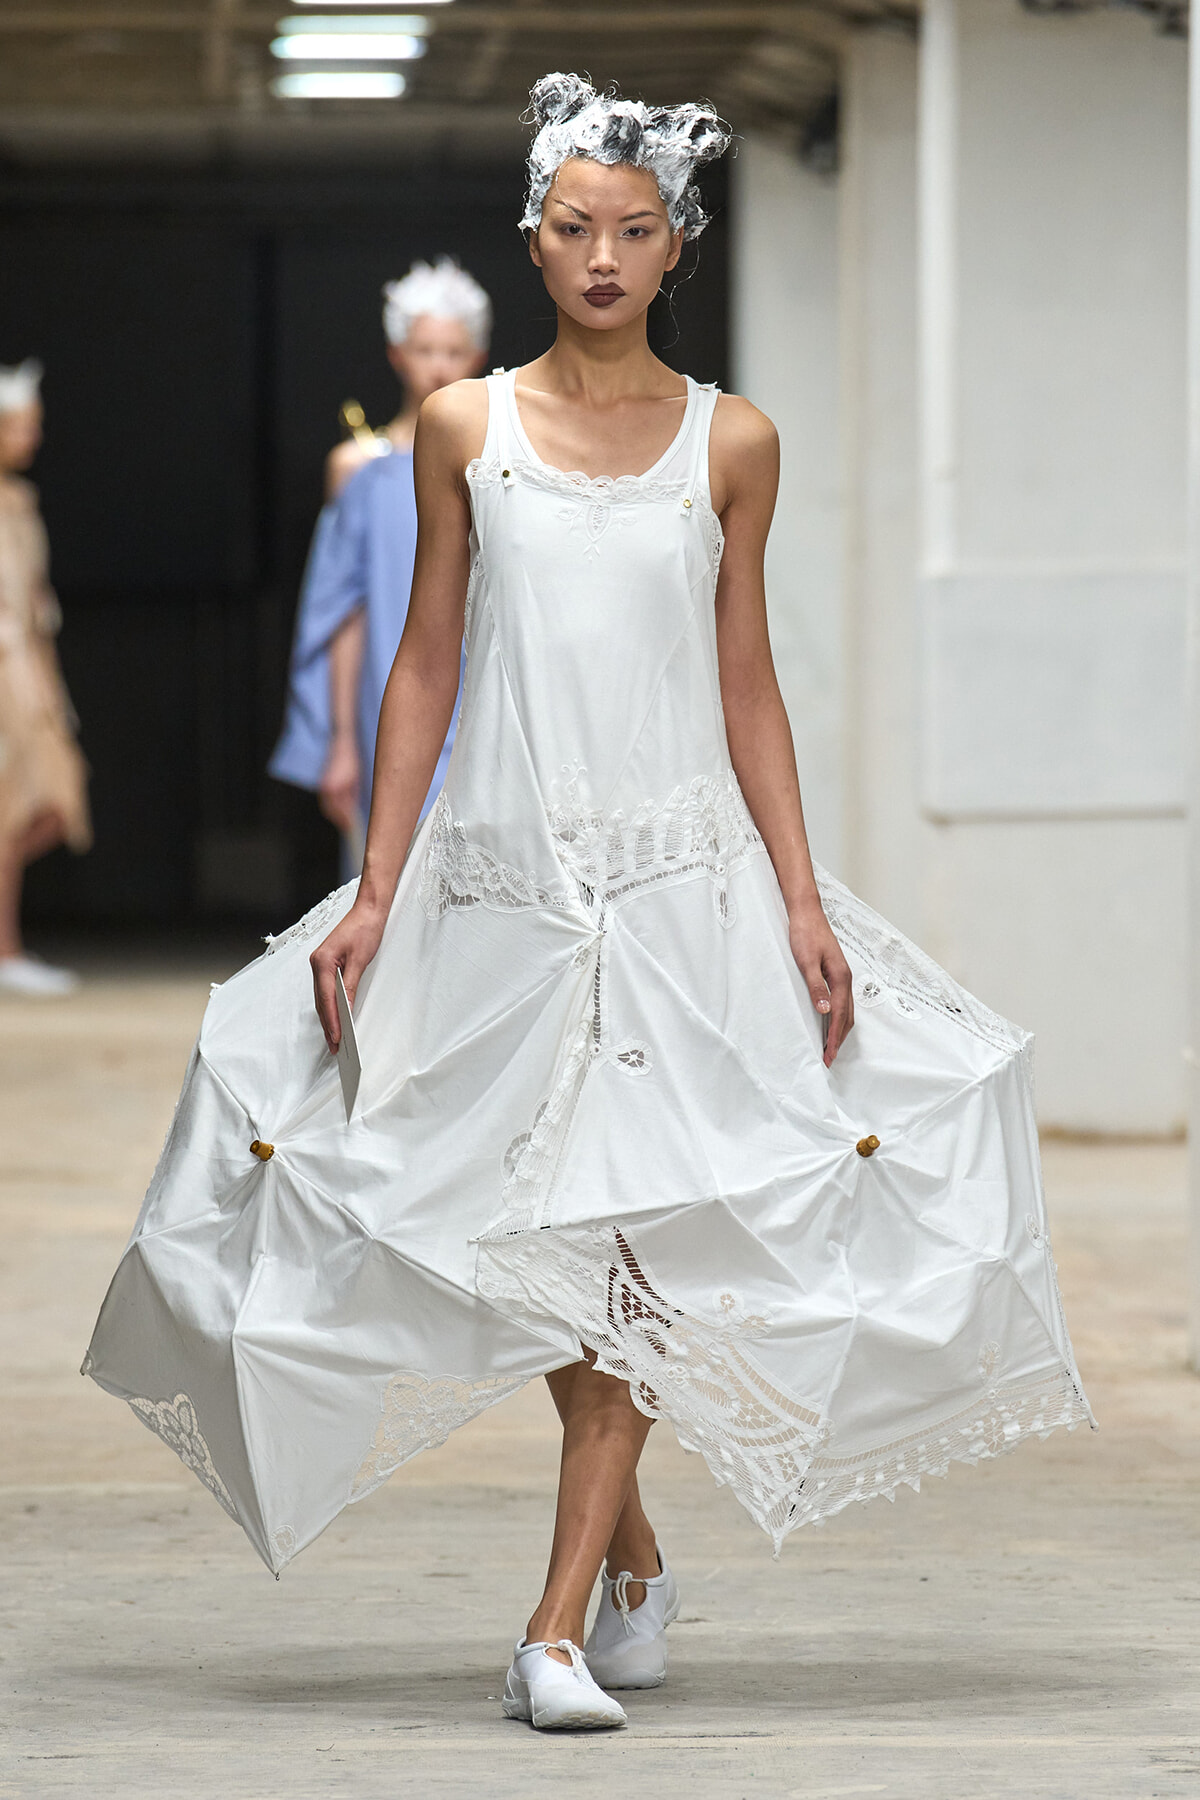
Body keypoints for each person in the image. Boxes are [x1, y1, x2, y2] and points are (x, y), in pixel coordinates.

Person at [85, 75, 1092, 1734]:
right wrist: (377, 889)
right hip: (504, 883)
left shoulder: (734, 441)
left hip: (683, 892)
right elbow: (425, 662)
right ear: (534, 242)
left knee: (632, 1236)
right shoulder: (462, 430)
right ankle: (631, 1569)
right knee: (539, 1233)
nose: (604, 255)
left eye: (635, 229)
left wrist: (800, 898)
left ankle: (549, 1631)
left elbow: (746, 680)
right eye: (574, 228)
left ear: (677, 245)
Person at [269, 259, 492, 869]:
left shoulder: (500, 464)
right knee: (388, 875)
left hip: (483, 690)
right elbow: (343, 610)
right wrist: (339, 739)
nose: (439, 365)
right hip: (386, 691)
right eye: (425, 349)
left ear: (477, 357)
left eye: (454, 350)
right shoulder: (358, 469)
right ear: (397, 354)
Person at [0, 360, 90, 997]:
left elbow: (33, 599)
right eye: (20, 426)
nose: (32, 438)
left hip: (27, 671)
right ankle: (5, 949)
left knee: (54, 800)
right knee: (12, 805)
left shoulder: (20, 501)